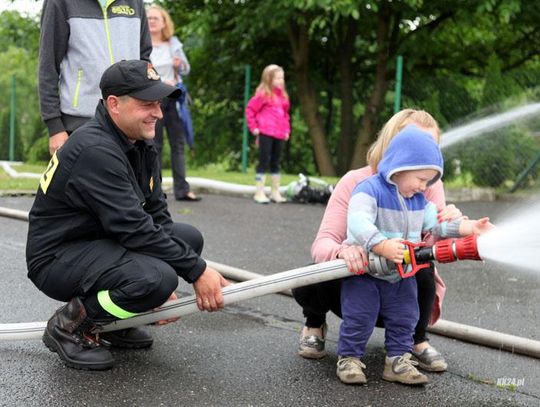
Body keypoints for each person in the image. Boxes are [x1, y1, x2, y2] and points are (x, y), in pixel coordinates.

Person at [26, 60, 229, 371]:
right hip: (58, 258)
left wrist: (183, 267)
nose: (158, 113)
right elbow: (134, 228)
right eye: (147, 104)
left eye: (159, 103)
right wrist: (196, 272)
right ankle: (70, 326)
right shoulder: (96, 150)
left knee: (187, 239)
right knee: (155, 279)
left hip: (99, 239)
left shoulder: (137, 143)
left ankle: (115, 321)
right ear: (114, 104)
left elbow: (157, 216)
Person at [293, 109, 461, 372]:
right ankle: (315, 323)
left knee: (424, 267)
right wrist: (342, 252)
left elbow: (432, 246)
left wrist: (453, 224)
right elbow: (322, 243)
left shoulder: (427, 184)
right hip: (355, 289)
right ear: (391, 143)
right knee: (311, 274)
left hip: (402, 294)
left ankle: (415, 341)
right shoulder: (356, 182)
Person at [336, 125, 493, 385]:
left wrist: (471, 227)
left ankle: (397, 362)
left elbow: (439, 226)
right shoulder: (369, 189)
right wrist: (381, 244)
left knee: (406, 317)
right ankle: (349, 359)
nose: (424, 187)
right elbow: (357, 222)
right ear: (400, 167)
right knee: (359, 316)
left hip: (401, 274)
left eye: (429, 181)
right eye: (421, 179)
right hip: (365, 272)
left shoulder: (418, 201)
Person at [38, 0, 152, 155]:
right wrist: (55, 127)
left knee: (130, 179)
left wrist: (146, 107)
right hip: (79, 122)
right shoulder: (60, 2)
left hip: (129, 118)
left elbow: (144, 60)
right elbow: (48, 65)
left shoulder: (135, 2)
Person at [147, 5, 200, 202]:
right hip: (153, 99)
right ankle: (155, 190)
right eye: (149, 18)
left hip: (174, 99)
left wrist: (180, 65)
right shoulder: (142, 43)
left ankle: (182, 189)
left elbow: (186, 68)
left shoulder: (173, 44)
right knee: (154, 145)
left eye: (155, 18)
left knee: (178, 145)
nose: (151, 21)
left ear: (164, 22)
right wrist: (159, 82)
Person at [246, 64, 291, 204]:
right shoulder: (263, 96)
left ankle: (275, 192)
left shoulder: (283, 98)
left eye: (282, 78)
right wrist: (254, 127)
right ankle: (259, 192)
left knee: (276, 162)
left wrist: (286, 130)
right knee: (263, 161)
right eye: (277, 78)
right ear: (268, 79)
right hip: (265, 132)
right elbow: (250, 110)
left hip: (279, 134)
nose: (280, 81)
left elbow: (285, 115)